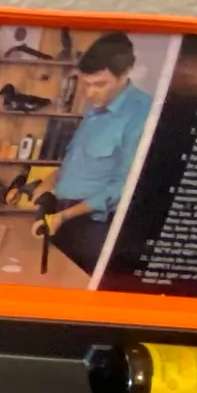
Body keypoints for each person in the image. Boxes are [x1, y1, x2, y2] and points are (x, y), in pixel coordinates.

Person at [31, 32, 154, 274]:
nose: (89, 93)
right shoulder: (97, 105)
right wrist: (51, 180)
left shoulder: (142, 113)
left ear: (124, 75)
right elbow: (77, 158)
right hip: (61, 217)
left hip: (95, 229)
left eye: (99, 84)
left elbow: (124, 186)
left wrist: (65, 216)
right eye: (86, 84)